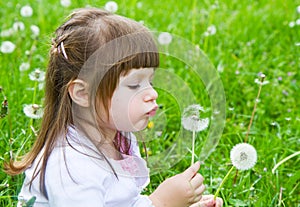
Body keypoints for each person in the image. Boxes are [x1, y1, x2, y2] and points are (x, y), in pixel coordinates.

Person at [5, 8, 223, 207]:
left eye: (151, 81)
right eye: (134, 84)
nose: (152, 93)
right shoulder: (71, 168)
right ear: (82, 94)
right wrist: (160, 203)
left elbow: (123, 202)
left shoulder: (120, 138)